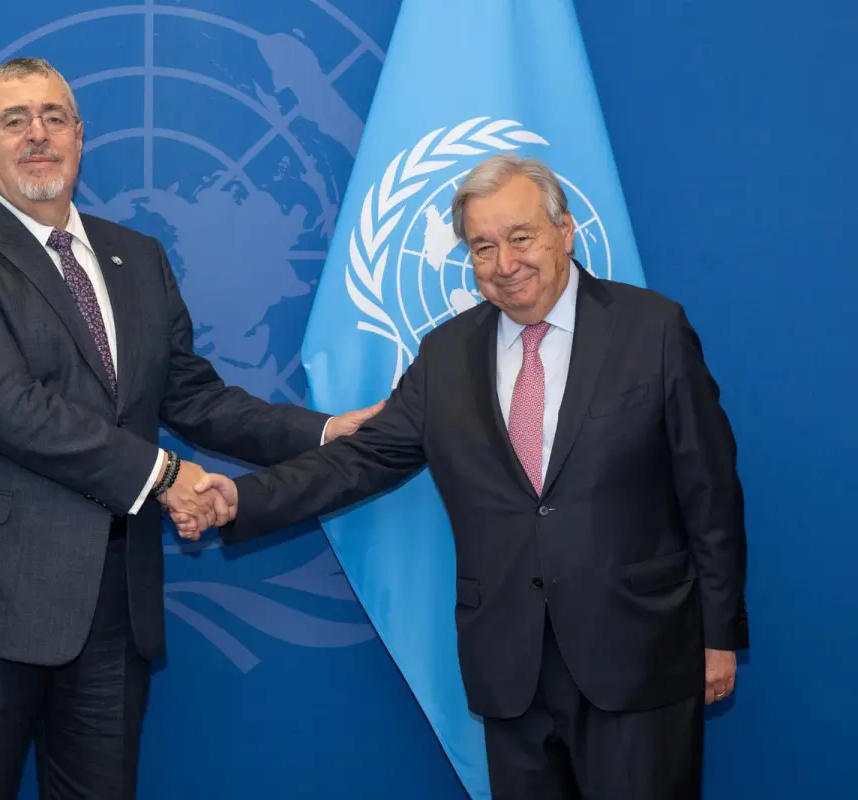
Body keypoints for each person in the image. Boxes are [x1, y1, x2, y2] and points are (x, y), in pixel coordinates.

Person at [0, 57, 380, 800]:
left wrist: (323, 432)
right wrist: (169, 477)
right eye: (14, 121)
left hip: (113, 603)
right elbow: (8, 406)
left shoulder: (136, 256)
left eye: (53, 117)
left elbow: (192, 395)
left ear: (81, 137)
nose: (36, 135)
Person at [182, 154, 748, 799]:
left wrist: (718, 635)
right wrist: (240, 497)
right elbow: (361, 460)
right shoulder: (446, 353)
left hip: (641, 654)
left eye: (521, 237)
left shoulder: (653, 328)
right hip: (512, 667)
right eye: (483, 247)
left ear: (565, 232)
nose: (505, 265)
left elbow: (710, 491)